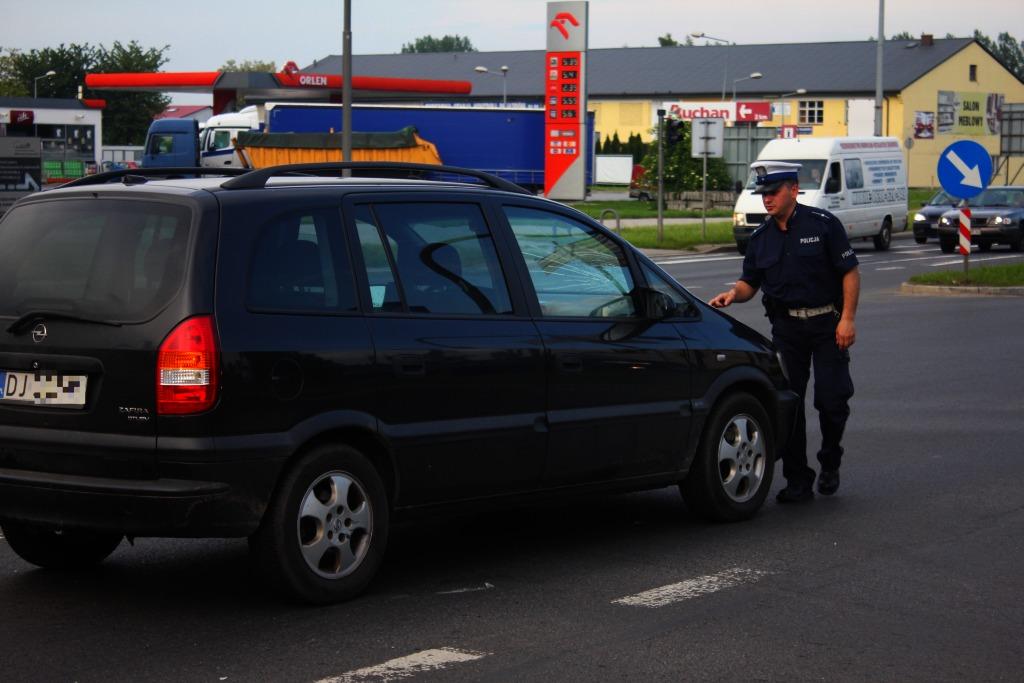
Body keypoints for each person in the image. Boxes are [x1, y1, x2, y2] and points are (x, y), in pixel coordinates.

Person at [709, 161, 860, 503]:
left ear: (793, 190)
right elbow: (750, 281)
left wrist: (847, 319)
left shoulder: (823, 226)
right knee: (788, 405)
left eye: (774, 192)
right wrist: (734, 294)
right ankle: (798, 479)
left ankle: (830, 460)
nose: (767, 200)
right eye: (763, 194)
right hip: (787, 329)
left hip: (826, 326)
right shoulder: (760, 238)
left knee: (832, 401)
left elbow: (850, 272)